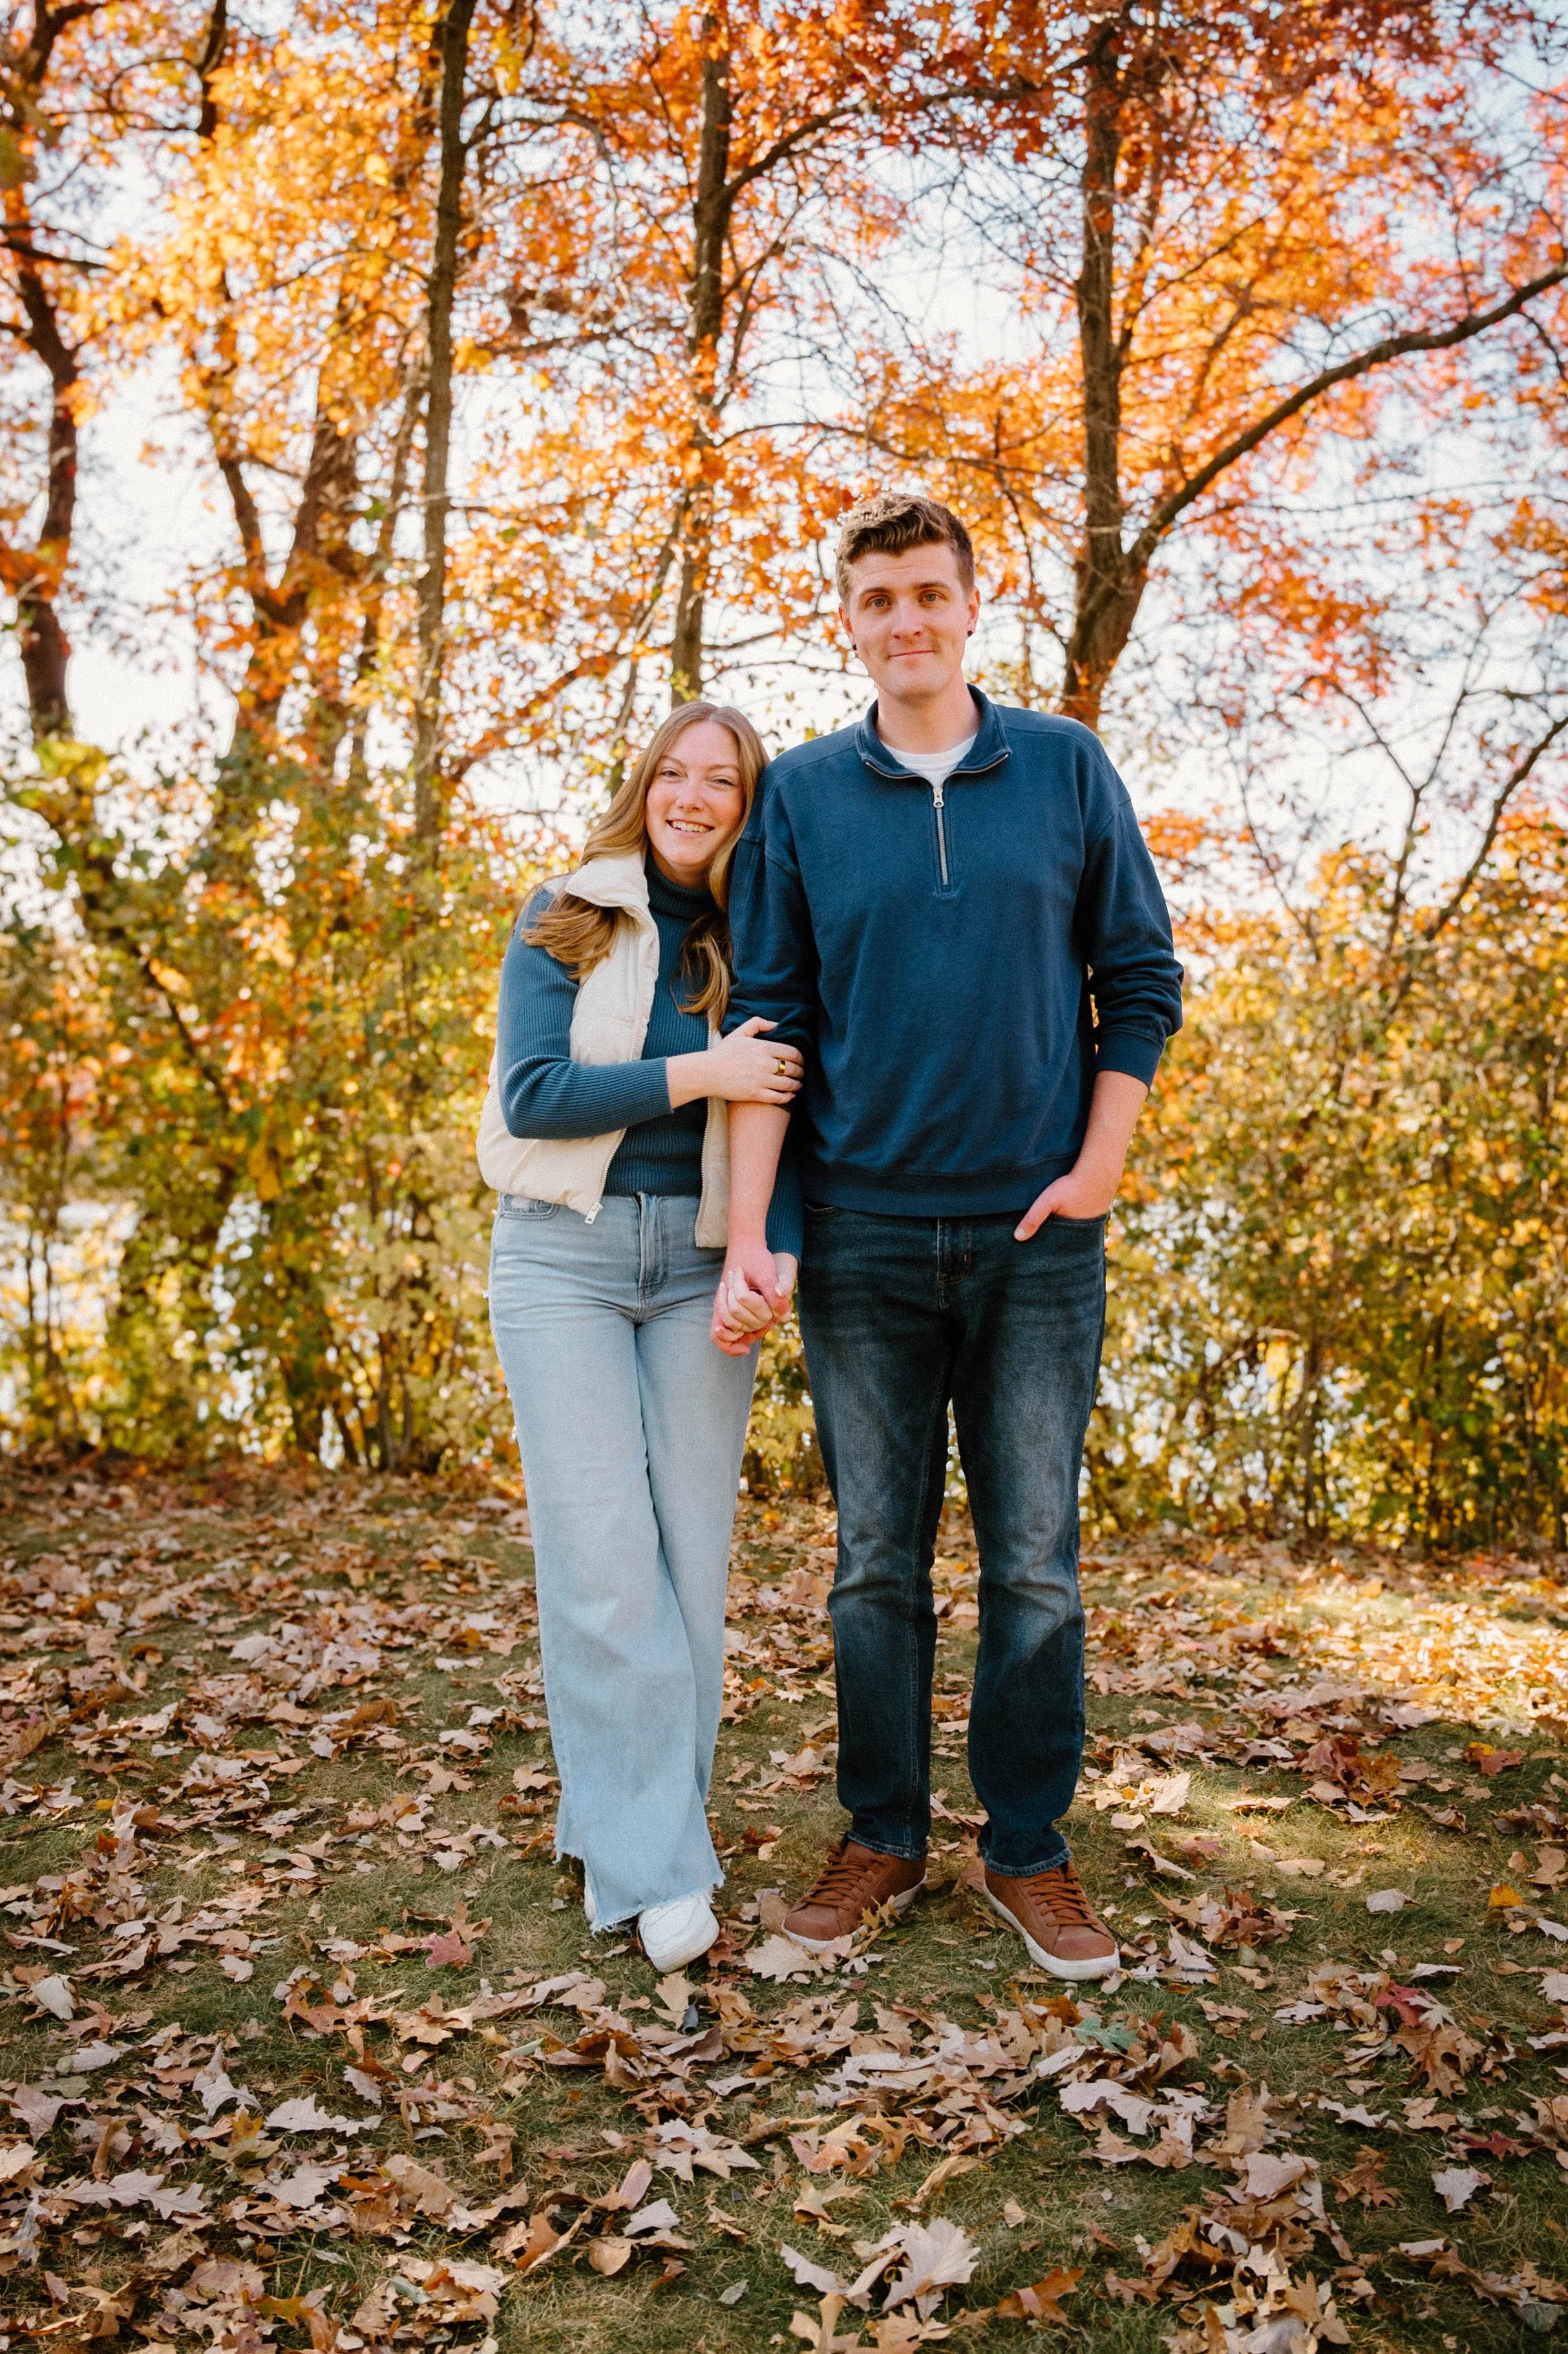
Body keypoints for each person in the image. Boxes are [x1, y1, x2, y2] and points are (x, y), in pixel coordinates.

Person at [712, 493, 1184, 1981]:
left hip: (1038, 1239)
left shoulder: (1059, 767)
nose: (905, 621)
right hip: (859, 1238)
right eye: (876, 601)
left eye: (929, 594)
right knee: (872, 1565)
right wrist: (763, 1230)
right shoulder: (799, 793)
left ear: (975, 605)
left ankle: (1027, 1850)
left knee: (1035, 1561)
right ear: (844, 620)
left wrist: (1096, 1170)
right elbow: (769, 1023)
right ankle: (884, 1836)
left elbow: (1142, 979)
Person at [479, 701, 802, 1974]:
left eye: (720, 780)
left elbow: (801, 1115)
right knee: (606, 1563)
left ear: (745, 802)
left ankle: (620, 1820)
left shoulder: (765, 936)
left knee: (689, 1571)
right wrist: (697, 1075)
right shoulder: (569, 912)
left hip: (701, 1264)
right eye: (673, 772)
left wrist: (773, 1255)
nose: (692, 795)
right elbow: (534, 1094)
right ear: (643, 784)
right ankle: (659, 1872)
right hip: (563, 1256)